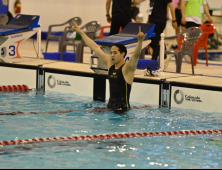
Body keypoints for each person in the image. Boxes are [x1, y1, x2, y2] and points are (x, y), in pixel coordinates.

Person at [72, 21, 146, 111]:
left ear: (123, 54)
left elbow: (135, 55)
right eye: (111, 53)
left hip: (122, 111)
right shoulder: (110, 63)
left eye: (115, 53)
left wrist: (140, 41)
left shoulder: (127, 69)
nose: (112, 55)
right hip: (110, 108)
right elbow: (95, 47)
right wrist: (81, 32)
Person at [147, 0, 177, 69]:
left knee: (156, 41)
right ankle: (165, 56)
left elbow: (171, 6)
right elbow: (150, 7)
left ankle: (153, 61)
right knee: (150, 40)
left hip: (160, 21)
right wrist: (148, 20)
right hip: (152, 21)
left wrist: (174, 20)